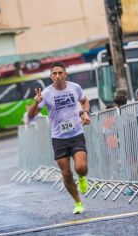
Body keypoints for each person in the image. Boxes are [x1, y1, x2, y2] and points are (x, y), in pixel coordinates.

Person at [28, 61, 91, 214]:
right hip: (59, 138)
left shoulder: (75, 87)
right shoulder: (46, 94)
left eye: (60, 73)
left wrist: (85, 113)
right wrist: (35, 104)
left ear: (65, 74)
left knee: (80, 167)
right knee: (66, 173)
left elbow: (84, 101)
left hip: (76, 133)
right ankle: (78, 203)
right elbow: (31, 116)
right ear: (51, 77)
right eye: (54, 74)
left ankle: (82, 177)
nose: (57, 76)